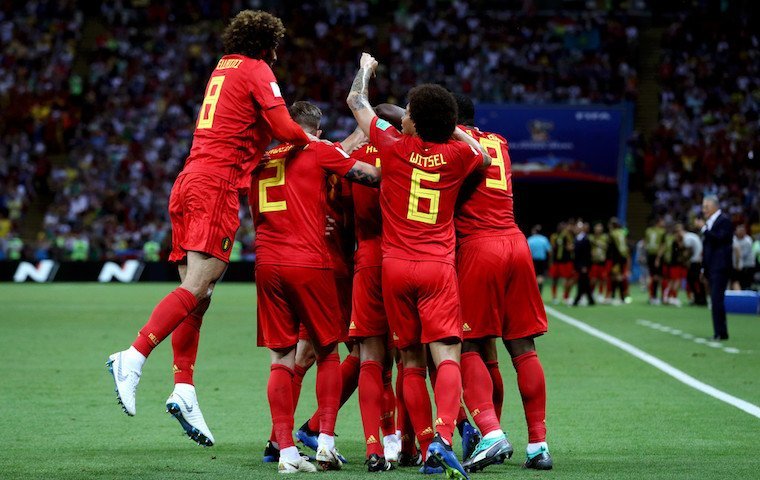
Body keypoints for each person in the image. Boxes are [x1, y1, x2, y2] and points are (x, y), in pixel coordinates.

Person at [106, 10, 314, 449]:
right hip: (215, 186)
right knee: (200, 283)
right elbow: (283, 127)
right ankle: (134, 355)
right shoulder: (257, 69)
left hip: (189, 180)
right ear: (266, 45)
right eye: (275, 48)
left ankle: (184, 387)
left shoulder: (223, 67)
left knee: (198, 296)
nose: (277, 56)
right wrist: (313, 142)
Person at [346, 52, 490, 480]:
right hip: (437, 267)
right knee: (446, 356)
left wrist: (366, 69)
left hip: (394, 268)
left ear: (414, 122)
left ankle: (428, 445)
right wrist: (451, 128)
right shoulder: (458, 156)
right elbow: (482, 155)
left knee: (410, 361)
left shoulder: (391, 146)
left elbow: (357, 102)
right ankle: (443, 438)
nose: (403, 115)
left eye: (408, 111)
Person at [251, 101, 381, 473]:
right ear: (317, 131)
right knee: (328, 353)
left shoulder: (260, 161)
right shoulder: (319, 150)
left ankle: (285, 451)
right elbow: (370, 176)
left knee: (282, 358)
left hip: (267, 264)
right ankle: (324, 443)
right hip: (310, 261)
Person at [451, 93, 552, 472]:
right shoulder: (500, 141)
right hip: (515, 242)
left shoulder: (452, 145)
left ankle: (491, 434)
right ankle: (538, 445)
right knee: (523, 349)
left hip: (480, 247)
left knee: (467, 344)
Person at [695, 195, 733, 340]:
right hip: (711, 267)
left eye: (706, 207)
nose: (703, 210)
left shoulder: (724, 221)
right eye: (703, 207)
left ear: (715, 207)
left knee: (717, 299)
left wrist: (704, 229)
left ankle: (721, 333)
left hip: (720, 267)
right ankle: (719, 332)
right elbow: (708, 249)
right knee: (715, 300)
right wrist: (703, 268)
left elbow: (719, 240)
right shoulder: (710, 223)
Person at [678, 223, 706, 305]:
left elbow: (689, 251)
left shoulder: (687, 238)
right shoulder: (690, 236)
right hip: (698, 260)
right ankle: (700, 298)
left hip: (695, 261)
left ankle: (699, 298)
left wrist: (685, 260)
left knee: (692, 280)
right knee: (696, 280)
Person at [644, 218, 666, 304]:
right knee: (657, 277)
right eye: (662, 221)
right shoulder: (662, 232)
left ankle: (652, 296)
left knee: (652, 276)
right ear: (658, 222)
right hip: (657, 256)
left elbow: (645, 243)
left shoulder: (648, 231)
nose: (663, 223)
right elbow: (663, 245)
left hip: (650, 255)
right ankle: (656, 297)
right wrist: (658, 258)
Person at [573, 222, 595, 306]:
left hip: (583, 265)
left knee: (582, 282)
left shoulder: (585, 239)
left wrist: (585, 265)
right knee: (585, 282)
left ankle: (577, 300)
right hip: (579, 264)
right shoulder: (577, 238)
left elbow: (587, 254)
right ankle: (590, 300)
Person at [527, 225, 552, 294]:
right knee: (540, 276)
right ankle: (539, 292)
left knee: (533, 276)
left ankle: (533, 292)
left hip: (532, 261)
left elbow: (526, 251)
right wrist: (550, 261)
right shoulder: (544, 239)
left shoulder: (530, 239)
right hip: (542, 261)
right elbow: (549, 251)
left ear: (534, 231)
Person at [589, 222, 610, 300]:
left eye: (600, 227)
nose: (598, 229)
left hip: (602, 261)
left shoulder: (605, 237)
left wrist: (598, 244)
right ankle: (591, 293)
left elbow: (607, 247)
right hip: (593, 261)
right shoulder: (590, 237)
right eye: (597, 227)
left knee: (602, 278)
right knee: (593, 279)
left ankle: (600, 294)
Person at [732, 225, 754, 290]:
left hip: (747, 266)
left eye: (742, 231)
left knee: (746, 284)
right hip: (738, 266)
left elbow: (742, 255)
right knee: (737, 282)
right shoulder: (734, 239)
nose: (740, 232)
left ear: (745, 232)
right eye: (739, 231)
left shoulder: (748, 241)